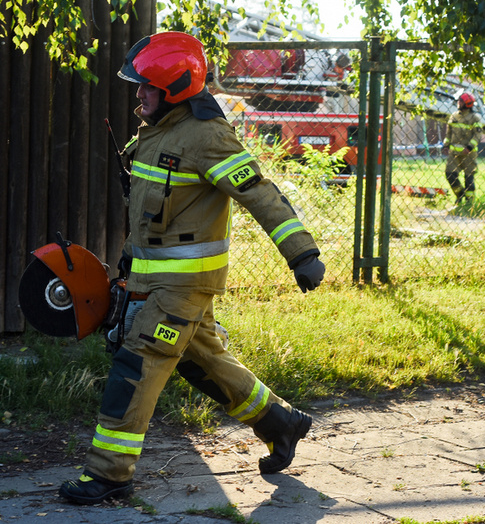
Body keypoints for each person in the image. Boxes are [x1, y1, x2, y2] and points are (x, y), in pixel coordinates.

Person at [59, 31, 326, 505]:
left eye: (146, 86)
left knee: (136, 365)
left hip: (183, 286)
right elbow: (149, 216)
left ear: (174, 88)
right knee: (205, 363)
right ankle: (281, 424)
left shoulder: (206, 137)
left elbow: (260, 193)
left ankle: (109, 473)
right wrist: (127, 262)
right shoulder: (156, 133)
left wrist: (302, 254)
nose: (138, 93)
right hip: (153, 279)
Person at [442, 92, 483, 207]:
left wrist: (469, 147)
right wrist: (446, 145)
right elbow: (448, 133)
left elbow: (477, 135)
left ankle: (470, 203)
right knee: (450, 174)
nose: (458, 103)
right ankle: (460, 195)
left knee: (469, 178)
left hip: (468, 154)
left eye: (460, 101)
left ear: (467, 104)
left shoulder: (475, 118)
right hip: (454, 153)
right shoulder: (454, 116)